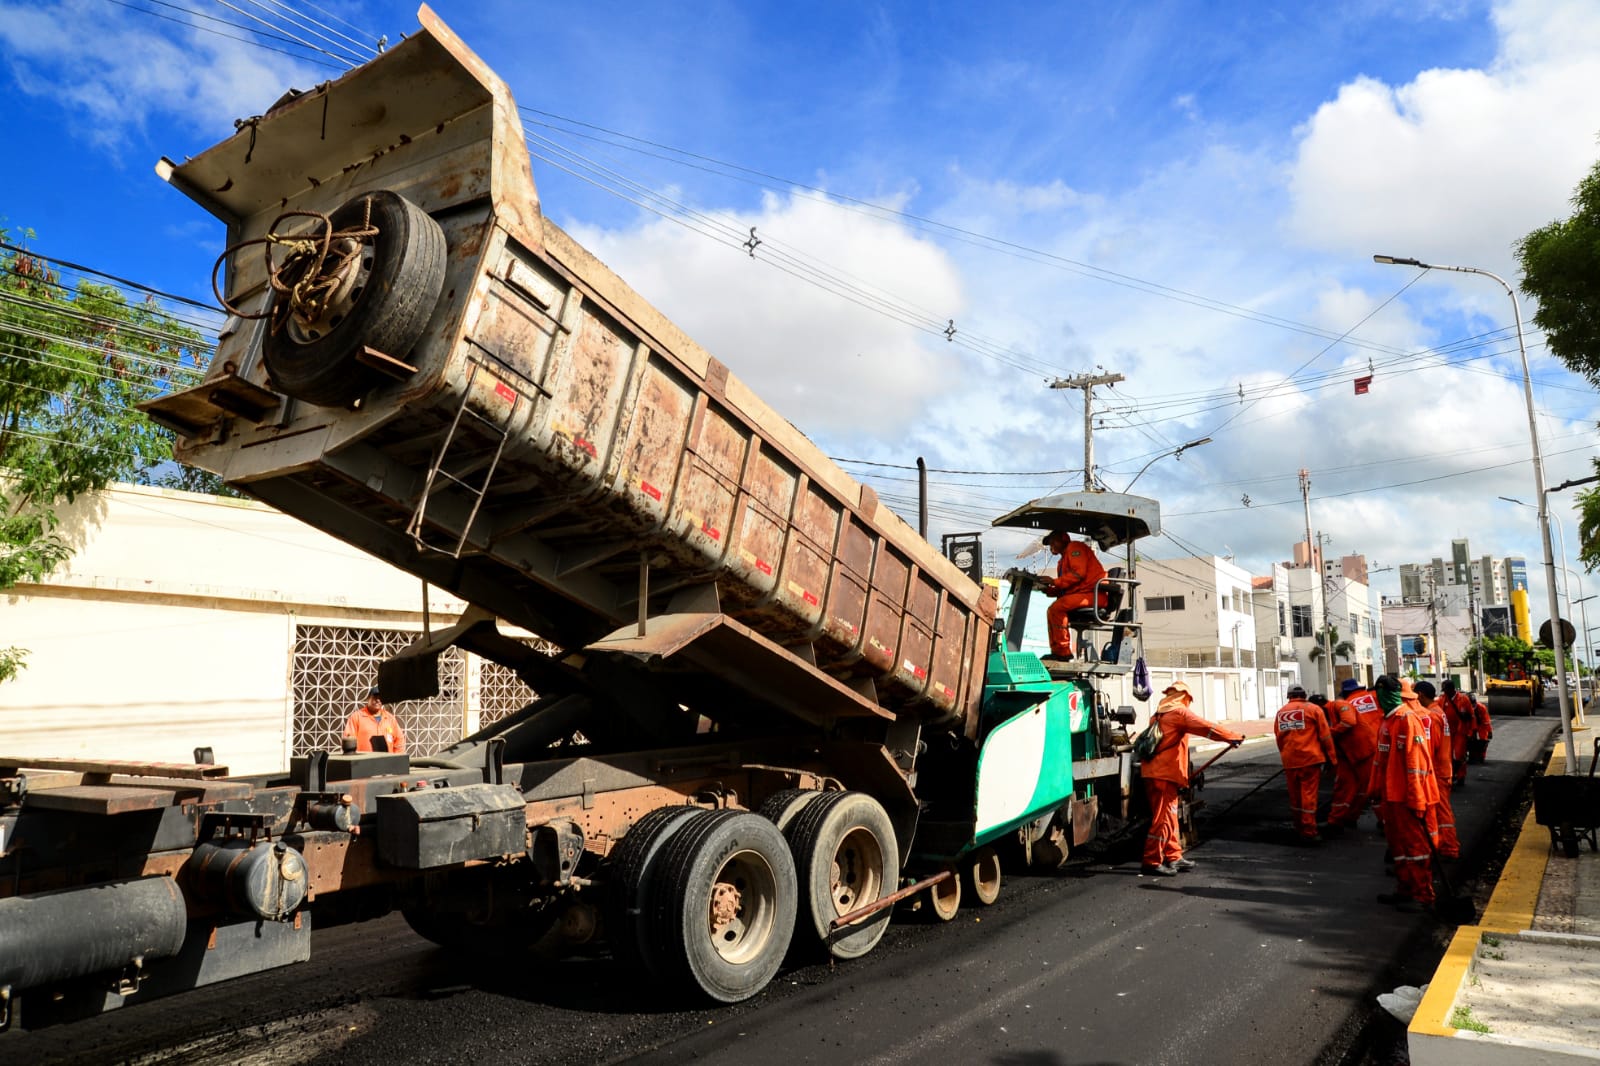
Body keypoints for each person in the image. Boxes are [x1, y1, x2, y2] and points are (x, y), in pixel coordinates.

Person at [1139, 681, 1244, 876]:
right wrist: (1232, 736)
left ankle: (1174, 856)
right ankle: (1151, 861)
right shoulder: (1179, 713)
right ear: (1184, 697)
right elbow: (1206, 727)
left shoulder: (1158, 715)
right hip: (1164, 774)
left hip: (1154, 772)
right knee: (1163, 819)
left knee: (1169, 817)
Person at [1369, 675, 1440, 909]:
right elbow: (1380, 760)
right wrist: (1374, 789)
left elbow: (1416, 764)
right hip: (1392, 797)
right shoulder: (1387, 721)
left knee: (1415, 848)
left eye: (1382, 693)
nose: (1379, 698)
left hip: (1408, 797)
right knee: (1398, 847)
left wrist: (1417, 800)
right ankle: (1405, 888)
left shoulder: (1407, 720)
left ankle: (1423, 895)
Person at [1274, 684, 1336, 843]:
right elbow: (1325, 737)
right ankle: (1309, 831)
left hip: (1290, 761)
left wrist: (1286, 756)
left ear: (1289, 696)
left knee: (1295, 798)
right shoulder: (1313, 709)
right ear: (1305, 695)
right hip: (1310, 760)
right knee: (1308, 796)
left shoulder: (1281, 712)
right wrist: (1332, 759)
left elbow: (1279, 738)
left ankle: (1298, 826)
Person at [1040, 529, 1109, 662]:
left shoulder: (1074, 547)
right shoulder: (1063, 560)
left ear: (1063, 539)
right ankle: (1057, 651)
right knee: (1052, 610)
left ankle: (1063, 652)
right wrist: (1048, 589)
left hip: (1093, 595)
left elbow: (1078, 574)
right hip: (1083, 594)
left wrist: (1054, 582)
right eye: (1049, 544)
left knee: (1056, 608)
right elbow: (1067, 586)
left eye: (1053, 541)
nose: (1051, 546)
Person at [1326, 677, 1382, 833]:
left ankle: (1343, 818)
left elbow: (1348, 724)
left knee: (1354, 786)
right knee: (1371, 786)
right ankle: (1381, 820)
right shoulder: (1375, 696)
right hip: (1377, 744)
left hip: (1360, 750)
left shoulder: (1345, 704)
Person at [1415, 681, 1460, 858]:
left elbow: (1429, 747)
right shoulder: (1438, 712)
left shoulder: (1432, 716)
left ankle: (1449, 848)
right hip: (1443, 768)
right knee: (1441, 811)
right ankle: (1444, 846)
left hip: (1438, 771)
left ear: (1420, 695)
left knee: (1441, 812)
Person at [344, 685, 406, 754]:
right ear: (368, 699)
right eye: (375, 697)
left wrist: (396, 760)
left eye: (380, 698)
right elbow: (348, 740)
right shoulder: (357, 717)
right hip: (364, 762)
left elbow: (399, 740)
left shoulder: (390, 718)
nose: (378, 700)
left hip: (386, 762)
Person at [1438, 680, 1474, 787]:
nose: (1445, 692)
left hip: (1460, 731)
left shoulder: (1463, 699)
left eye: (1446, 690)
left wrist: (1472, 731)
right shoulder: (1442, 699)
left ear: (1452, 689)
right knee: (1447, 756)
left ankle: (1461, 776)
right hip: (1447, 732)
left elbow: (1471, 716)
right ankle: (1450, 775)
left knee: (1459, 754)